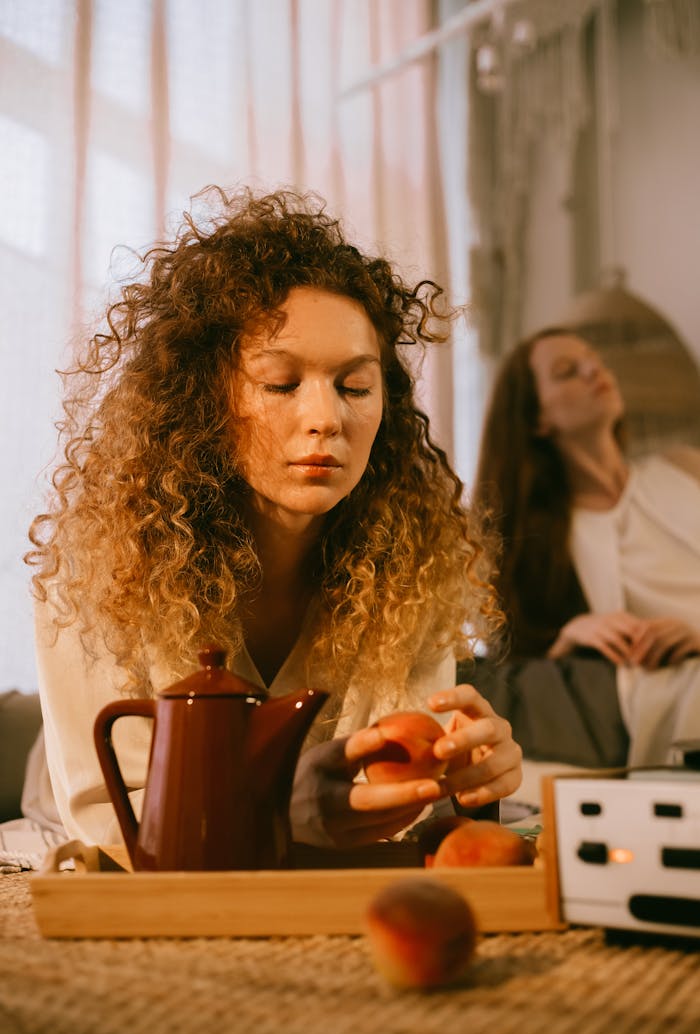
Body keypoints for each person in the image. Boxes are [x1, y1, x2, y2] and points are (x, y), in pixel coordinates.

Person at [26, 186, 522, 852]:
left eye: (354, 386)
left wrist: (457, 781)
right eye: (281, 383)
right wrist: (279, 812)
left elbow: (395, 800)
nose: (326, 417)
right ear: (204, 401)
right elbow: (102, 816)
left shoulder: (414, 567)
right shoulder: (101, 564)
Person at [473, 325, 700, 767]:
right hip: (669, 685)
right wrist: (568, 635)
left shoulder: (686, 469)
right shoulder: (539, 539)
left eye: (594, 360)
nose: (596, 370)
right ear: (537, 417)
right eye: (568, 371)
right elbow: (525, 669)